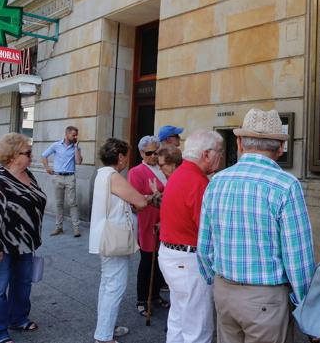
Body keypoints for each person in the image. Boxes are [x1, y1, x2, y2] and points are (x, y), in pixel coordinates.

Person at [198, 108, 316, 343]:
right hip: (265, 298)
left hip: (224, 290)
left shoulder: (216, 182)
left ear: (240, 143)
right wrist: (306, 305)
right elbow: (298, 259)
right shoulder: (286, 185)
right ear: (280, 148)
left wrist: (216, 281)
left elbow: (204, 246)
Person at [0, 133, 47, 343]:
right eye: (27, 153)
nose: (31, 156)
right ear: (13, 156)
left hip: (25, 243)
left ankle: (18, 318)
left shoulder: (29, 175)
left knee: (23, 284)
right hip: (0, 246)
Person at [158, 129, 223, 343]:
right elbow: (209, 230)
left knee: (178, 319)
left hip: (171, 255)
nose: (221, 156)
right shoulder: (199, 182)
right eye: (219, 151)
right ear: (206, 154)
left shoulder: (180, 174)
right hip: (188, 261)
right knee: (198, 329)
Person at [89, 138, 147, 343]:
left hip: (104, 236)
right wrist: (149, 197)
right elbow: (139, 200)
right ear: (120, 156)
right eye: (126, 156)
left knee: (107, 284)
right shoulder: (113, 176)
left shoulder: (101, 174)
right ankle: (104, 336)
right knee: (115, 286)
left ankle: (105, 327)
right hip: (113, 237)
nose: (127, 160)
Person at [127, 136, 169, 316]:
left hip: (165, 219)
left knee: (161, 259)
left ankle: (155, 294)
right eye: (149, 153)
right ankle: (142, 299)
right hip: (148, 220)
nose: (153, 156)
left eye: (156, 152)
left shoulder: (163, 168)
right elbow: (134, 200)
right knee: (147, 260)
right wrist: (153, 196)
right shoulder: (136, 172)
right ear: (141, 153)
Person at [41, 125, 83, 237]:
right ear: (67, 134)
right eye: (73, 135)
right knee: (59, 203)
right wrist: (47, 168)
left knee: (72, 203)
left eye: (76, 135)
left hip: (70, 177)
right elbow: (44, 155)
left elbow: (78, 161)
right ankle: (58, 227)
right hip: (58, 177)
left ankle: (76, 228)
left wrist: (76, 147)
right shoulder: (56, 145)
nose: (75, 137)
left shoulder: (76, 147)